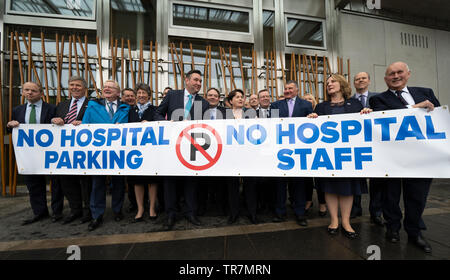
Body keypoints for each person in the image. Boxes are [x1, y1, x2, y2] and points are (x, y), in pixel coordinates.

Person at [369, 61, 440, 253]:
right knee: (390, 197)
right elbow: (388, 117)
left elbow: (439, 119)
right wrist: (417, 108)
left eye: (399, 72)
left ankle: (414, 232)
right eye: (391, 74)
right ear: (385, 79)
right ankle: (392, 228)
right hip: (391, 158)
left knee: (417, 197)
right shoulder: (377, 100)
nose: (395, 76)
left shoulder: (427, 92)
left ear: (408, 74)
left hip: (421, 157)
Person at [307, 74, 372, 239]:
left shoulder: (355, 104)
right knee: (329, 188)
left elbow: (364, 126)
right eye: (328, 82)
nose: (329, 84)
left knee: (347, 189)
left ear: (342, 84)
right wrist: (312, 119)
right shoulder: (321, 107)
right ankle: (334, 220)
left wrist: (366, 113)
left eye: (333, 81)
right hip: (328, 156)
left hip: (348, 157)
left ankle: (346, 222)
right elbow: (313, 131)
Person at [155, 69, 210, 230]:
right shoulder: (172, 96)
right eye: (195, 80)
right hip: (171, 147)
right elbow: (158, 114)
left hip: (192, 149)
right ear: (186, 81)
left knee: (191, 181)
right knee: (170, 182)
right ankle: (170, 214)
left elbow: (204, 127)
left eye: (200, 81)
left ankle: (190, 212)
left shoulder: (203, 103)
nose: (199, 83)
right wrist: (167, 123)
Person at [82, 80, 130, 231]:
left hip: (119, 152)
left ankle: (117, 210)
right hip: (98, 153)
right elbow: (85, 127)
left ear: (118, 92)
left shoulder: (126, 108)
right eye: (105, 87)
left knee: (118, 183)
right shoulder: (92, 106)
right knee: (97, 184)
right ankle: (97, 215)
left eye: (111, 87)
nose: (107, 89)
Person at [7, 82, 57, 225]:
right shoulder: (17, 110)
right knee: (34, 185)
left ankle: (57, 212)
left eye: (33, 91)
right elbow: (12, 131)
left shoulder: (52, 108)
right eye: (26, 90)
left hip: (50, 153)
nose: (29, 93)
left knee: (56, 184)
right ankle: (40, 212)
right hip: (29, 155)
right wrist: (10, 125)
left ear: (41, 93)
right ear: (22, 92)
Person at [269, 80, 313, 227]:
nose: (287, 90)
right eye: (285, 88)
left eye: (290, 88)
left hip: (299, 150)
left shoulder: (306, 105)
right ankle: (280, 213)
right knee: (280, 184)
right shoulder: (275, 105)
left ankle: (300, 213)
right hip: (281, 150)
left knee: (298, 184)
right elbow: (271, 125)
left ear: (297, 90)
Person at [51, 76, 92, 225]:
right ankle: (75, 210)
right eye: (72, 85)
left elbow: (100, 123)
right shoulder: (61, 105)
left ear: (84, 88)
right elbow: (50, 124)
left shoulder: (93, 104)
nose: (74, 88)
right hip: (65, 152)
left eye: (78, 85)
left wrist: (85, 123)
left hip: (85, 151)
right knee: (67, 182)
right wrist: (54, 121)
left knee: (86, 183)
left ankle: (88, 211)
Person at [350, 72, 383, 224]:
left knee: (377, 181)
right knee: (355, 179)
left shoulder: (379, 98)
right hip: (355, 146)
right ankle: (355, 209)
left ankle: (376, 212)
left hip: (375, 146)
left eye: (363, 78)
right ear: (354, 83)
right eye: (357, 79)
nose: (360, 80)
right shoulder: (349, 102)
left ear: (369, 81)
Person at [225, 89, 259, 224]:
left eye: (242, 97)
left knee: (250, 185)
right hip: (230, 155)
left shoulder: (251, 113)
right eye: (237, 97)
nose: (240, 99)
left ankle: (252, 213)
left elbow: (258, 130)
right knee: (232, 186)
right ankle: (233, 213)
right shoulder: (224, 114)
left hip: (248, 154)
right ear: (230, 100)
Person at [127, 84, 159, 222]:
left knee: (152, 181)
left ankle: (152, 208)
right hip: (135, 151)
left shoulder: (155, 110)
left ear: (149, 95)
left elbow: (160, 125)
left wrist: (150, 124)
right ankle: (140, 208)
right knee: (137, 181)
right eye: (138, 93)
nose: (140, 95)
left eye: (143, 93)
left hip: (151, 151)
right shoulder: (130, 110)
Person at [197, 88, 228, 216]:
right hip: (202, 150)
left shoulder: (226, 112)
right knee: (203, 182)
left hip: (220, 150)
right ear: (205, 96)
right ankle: (202, 208)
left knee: (220, 181)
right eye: (210, 95)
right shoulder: (198, 111)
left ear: (219, 98)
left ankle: (221, 208)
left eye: (215, 95)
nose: (212, 97)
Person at [301, 93, 327, 217]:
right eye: (305, 99)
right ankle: (308, 200)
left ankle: (322, 203)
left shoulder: (321, 111)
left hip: (319, 149)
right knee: (306, 179)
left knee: (320, 179)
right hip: (305, 149)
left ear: (314, 100)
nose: (308, 101)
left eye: (310, 99)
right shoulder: (301, 114)